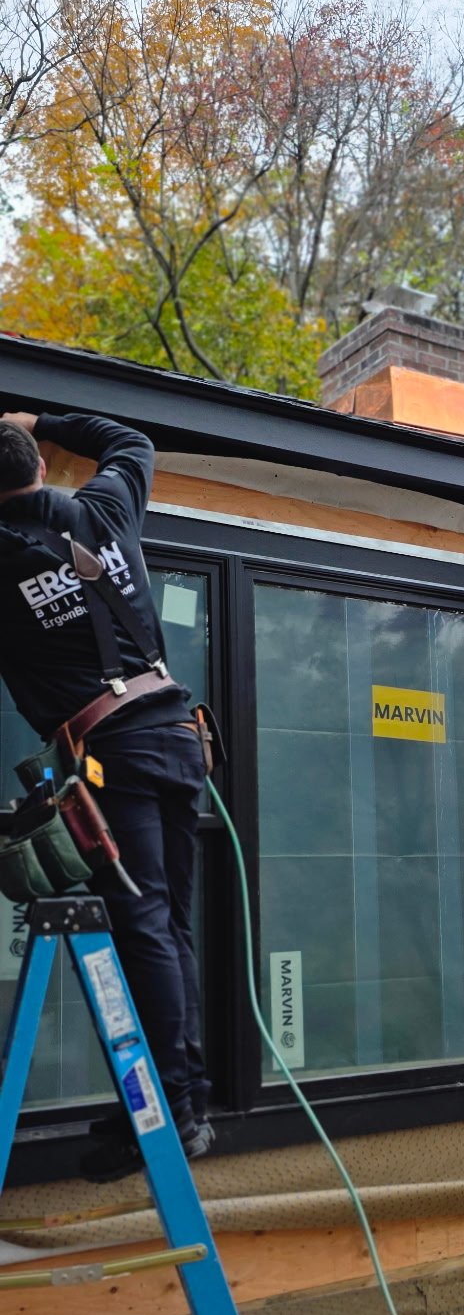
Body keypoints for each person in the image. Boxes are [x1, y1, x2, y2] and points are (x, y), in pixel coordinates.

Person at [0, 408, 213, 1177]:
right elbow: (132, 441)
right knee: (167, 927)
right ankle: (175, 1096)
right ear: (43, 465)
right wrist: (42, 418)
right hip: (176, 739)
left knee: (146, 926)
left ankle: (175, 1113)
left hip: (109, 757)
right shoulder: (105, 508)